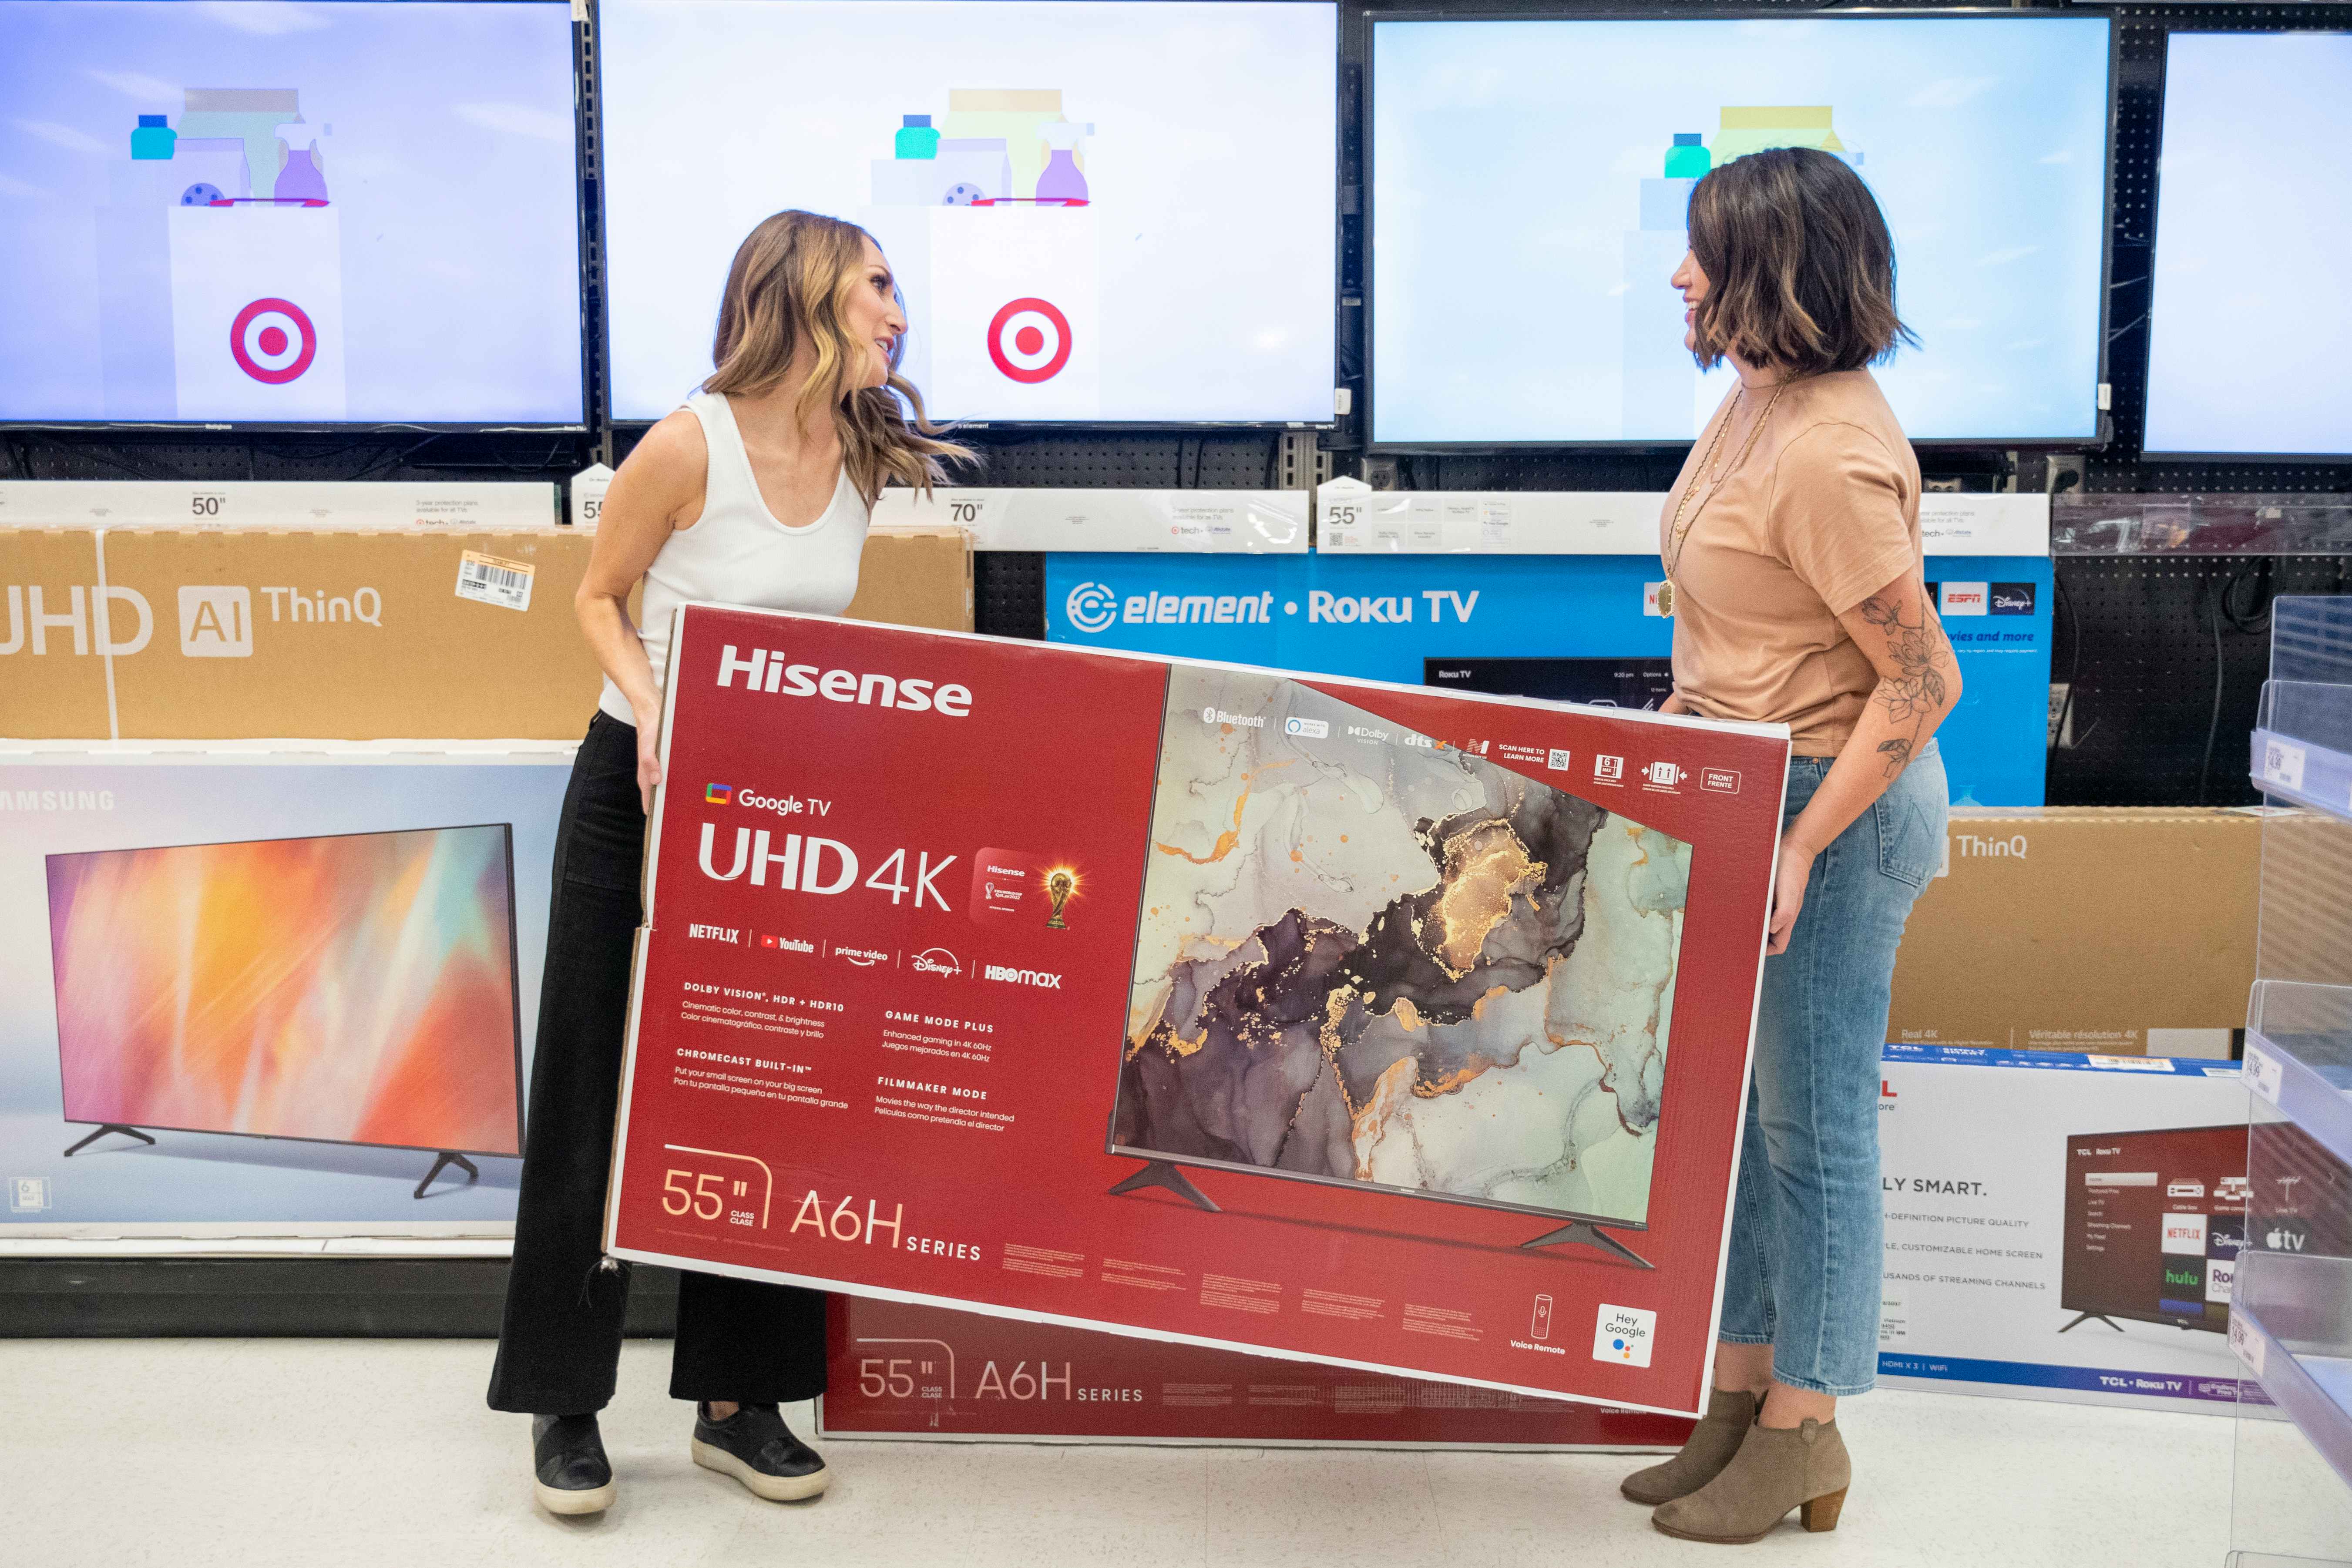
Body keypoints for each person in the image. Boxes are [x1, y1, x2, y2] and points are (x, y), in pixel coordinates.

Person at [486, 209, 967, 1517]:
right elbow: (598, 595)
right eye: (878, 284)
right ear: (806, 293)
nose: (899, 310)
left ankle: (739, 1401)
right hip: (641, 790)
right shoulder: (686, 444)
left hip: (780, 816)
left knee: (769, 1091)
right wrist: (654, 712)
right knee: (596, 1083)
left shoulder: (864, 453)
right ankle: (565, 1403)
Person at [1618, 147, 1957, 1545]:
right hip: (1752, 788)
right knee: (1751, 1133)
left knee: (1812, 1133)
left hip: (1832, 810)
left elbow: (1923, 681)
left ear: (1771, 273)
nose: (1678, 276)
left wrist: (1802, 841)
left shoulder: (1824, 451)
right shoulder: (1756, 400)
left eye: (1702, 256)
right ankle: (1742, 1389)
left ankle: (1806, 1428)